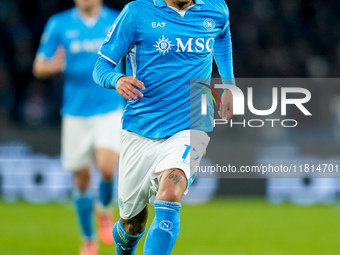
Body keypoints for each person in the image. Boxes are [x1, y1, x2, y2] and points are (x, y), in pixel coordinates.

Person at [93, 0, 234, 254]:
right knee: (132, 225)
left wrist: (229, 84)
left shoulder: (216, 9)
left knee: (170, 194)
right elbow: (101, 67)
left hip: (191, 125)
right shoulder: (136, 12)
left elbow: (222, 36)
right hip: (140, 128)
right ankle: (123, 240)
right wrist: (118, 79)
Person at [33, 0, 125, 254]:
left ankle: (104, 209)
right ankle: (88, 239)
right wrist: (50, 67)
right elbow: (38, 65)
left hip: (109, 107)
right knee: (82, 179)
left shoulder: (118, 20)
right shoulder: (59, 23)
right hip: (75, 111)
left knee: (107, 167)